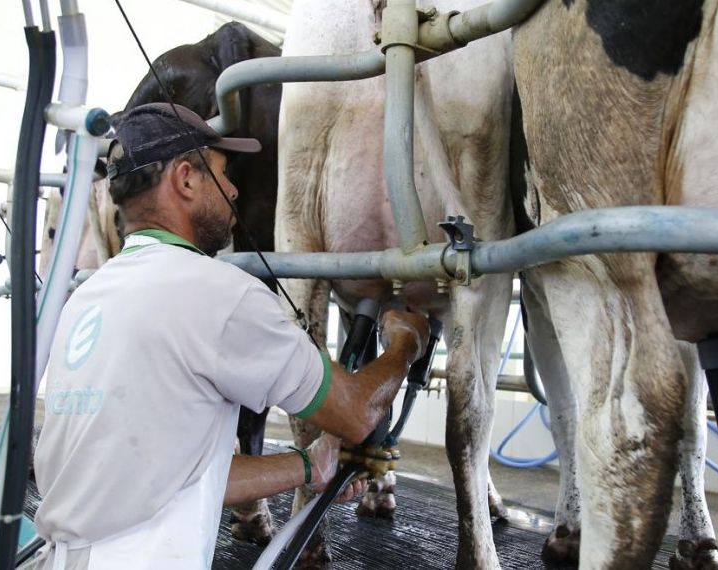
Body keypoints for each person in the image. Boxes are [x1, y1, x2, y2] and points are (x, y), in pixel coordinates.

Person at [29, 102, 429, 570]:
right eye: (223, 172)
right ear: (185, 180)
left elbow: (177, 477)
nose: (235, 189)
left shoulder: (88, 297)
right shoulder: (218, 293)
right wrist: (406, 342)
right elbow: (357, 413)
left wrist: (307, 465)